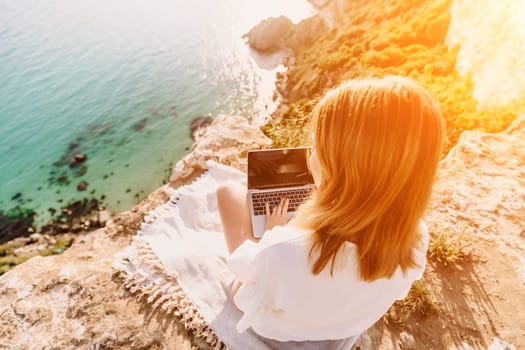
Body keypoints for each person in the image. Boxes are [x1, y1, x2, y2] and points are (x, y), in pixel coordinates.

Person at [216, 76, 445, 344]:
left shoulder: (279, 249)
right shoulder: (415, 237)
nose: (310, 156)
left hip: (281, 329)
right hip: (345, 325)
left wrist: (268, 236)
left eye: (317, 148)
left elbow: (242, 299)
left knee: (228, 193)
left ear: (339, 167)